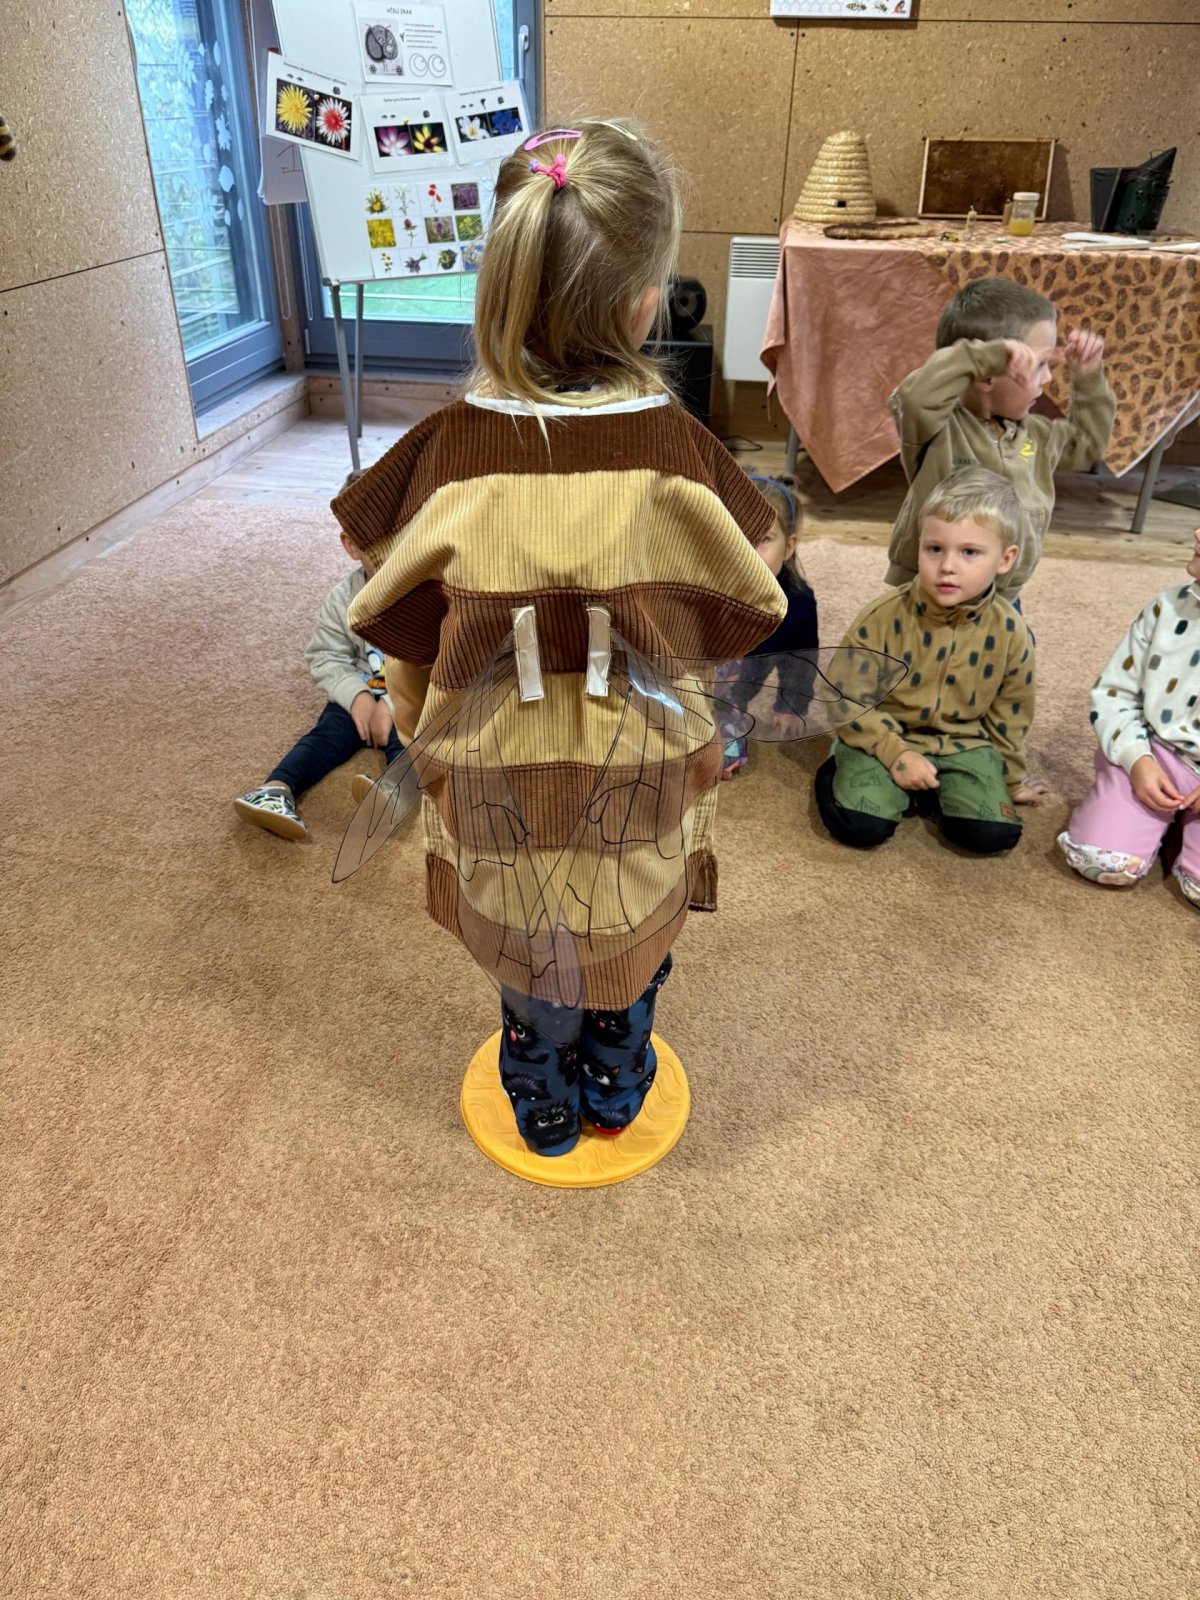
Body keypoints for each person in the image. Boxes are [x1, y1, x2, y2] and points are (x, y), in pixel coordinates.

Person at [329, 120, 792, 1157]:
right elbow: (749, 589)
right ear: (646, 302)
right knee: (632, 923)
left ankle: (539, 1069)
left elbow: (389, 601)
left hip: (496, 769)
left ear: (501, 280)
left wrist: (426, 718)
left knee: (527, 944)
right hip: (641, 765)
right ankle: (616, 1067)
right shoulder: (678, 449)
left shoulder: (446, 451)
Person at [816, 466, 1040, 854]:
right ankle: (842, 769)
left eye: (969, 552)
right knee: (860, 825)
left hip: (963, 744)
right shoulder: (883, 615)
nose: (947, 566)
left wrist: (1009, 778)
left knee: (993, 834)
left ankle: (930, 792)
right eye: (935, 549)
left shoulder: (1011, 631)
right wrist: (894, 753)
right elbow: (843, 696)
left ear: (1005, 559)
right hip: (884, 735)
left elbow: (1011, 714)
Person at [885, 278, 1116, 602]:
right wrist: (988, 356)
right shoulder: (938, 427)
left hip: (1001, 596)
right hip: (924, 590)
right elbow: (915, 396)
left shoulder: (1038, 435)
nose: (1049, 378)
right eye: (1040, 365)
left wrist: (1089, 376)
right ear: (987, 377)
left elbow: (1088, 442)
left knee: (1012, 638)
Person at [233, 515, 402, 841]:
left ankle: (393, 794)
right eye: (373, 540)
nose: (387, 550)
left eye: (396, 536)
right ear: (351, 545)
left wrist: (392, 704)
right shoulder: (342, 598)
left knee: (411, 741)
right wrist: (357, 697)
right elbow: (326, 656)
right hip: (361, 687)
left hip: (409, 694)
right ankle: (276, 789)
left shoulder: (426, 595)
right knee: (327, 734)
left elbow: (434, 663)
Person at [1057, 526, 1200, 907]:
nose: (1198, 532)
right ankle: (1153, 819)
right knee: (1100, 860)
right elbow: (1114, 694)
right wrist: (1137, 761)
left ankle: (1174, 834)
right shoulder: (1166, 608)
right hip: (1155, 753)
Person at [718, 474, 819, 778]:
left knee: (723, 757)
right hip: (686, 690)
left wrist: (791, 705)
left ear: (788, 547)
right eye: (736, 535)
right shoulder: (700, 587)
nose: (747, 552)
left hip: (730, 699)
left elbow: (801, 661)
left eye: (763, 539)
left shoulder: (798, 603)